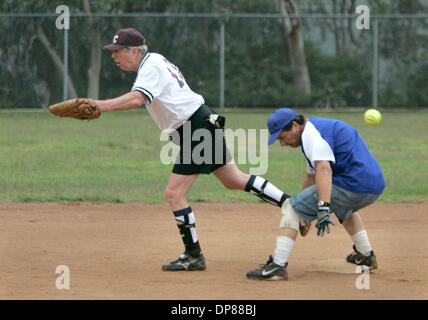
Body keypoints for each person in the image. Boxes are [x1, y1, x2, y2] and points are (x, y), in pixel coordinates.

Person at [97, 28, 290, 271]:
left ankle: (193, 255)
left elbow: (137, 99)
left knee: (174, 193)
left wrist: (99, 106)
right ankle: (290, 205)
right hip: (200, 122)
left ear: (134, 51)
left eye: (117, 51)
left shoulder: (150, 66)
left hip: (195, 127)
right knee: (233, 179)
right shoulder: (154, 61)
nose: (114, 56)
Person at [246, 108, 386, 280]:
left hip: (353, 184)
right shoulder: (315, 131)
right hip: (372, 186)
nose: (282, 143)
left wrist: (322, 207)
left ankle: (277, 266)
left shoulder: (313, 136)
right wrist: (304, 214)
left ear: (295, 126)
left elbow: (324, 170)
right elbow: (312, 177)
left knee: (290, 207)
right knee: (343, 208)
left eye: (282, 137)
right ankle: (366, 255)